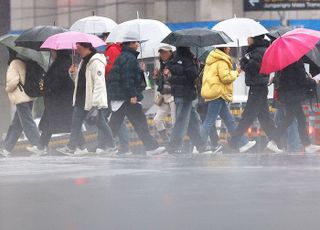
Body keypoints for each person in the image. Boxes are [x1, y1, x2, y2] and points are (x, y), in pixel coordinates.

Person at [107, 36, 165, 155]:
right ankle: (151, 147)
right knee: (139, 122)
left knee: (115, 123)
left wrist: (140, 70)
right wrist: (132, 95)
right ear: (130, 44)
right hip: (127, 97)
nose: (138, 44)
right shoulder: (129, 58)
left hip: (121, 96)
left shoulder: (125, 57)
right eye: (136, 42)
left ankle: (103, 146)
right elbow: (127, 78)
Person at [57, 42, 115, 155]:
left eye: (79, 48)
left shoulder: (96, 62)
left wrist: (96, 103)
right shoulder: (84, 61)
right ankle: (71, 147)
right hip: (81, 98)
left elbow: (99, 83)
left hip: (91, 100)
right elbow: (81, 81)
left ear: (87, 48)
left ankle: (111, 145)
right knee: (76, 123)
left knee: (100, 123)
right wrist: (72, 73)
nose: (77, 51)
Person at [230, 35, 282, 153]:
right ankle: (277, 142)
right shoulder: (259, 50)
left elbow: (252, 68)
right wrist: (245, 60)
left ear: (254, 39)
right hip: (259, 87)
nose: (247, 39)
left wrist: (242, 63)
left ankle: (233, 141)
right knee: (264, 117)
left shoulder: (258, 52)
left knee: (248, 116)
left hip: (257, 88)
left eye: (249, 37)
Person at [201, 47, 256, 153]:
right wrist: (237, 72)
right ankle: (199, 145)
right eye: (228, 47)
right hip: (218, 93)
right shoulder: (221, 60)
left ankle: (243, 143)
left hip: (217, 92)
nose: (229, 48)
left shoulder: (213, 59)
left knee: (229, 121)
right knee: (209, 120)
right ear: (224, 49)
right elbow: (225, 78)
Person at [26, 50, 74, 155]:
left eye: (52, 51)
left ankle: (80, 145)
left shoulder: (63, 63)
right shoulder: (60, 62)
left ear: (58, 51)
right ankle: (41, 147)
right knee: (49, 123)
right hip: (56, 100)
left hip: (60, 100)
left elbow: (60, 80)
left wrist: (48, 88)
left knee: (71, 123)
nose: (51, 52)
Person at [164, 47, 208, 154]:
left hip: (177, 94)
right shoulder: (188, 60)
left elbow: (170, 75)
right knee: (181, 121)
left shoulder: (173, 60)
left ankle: (200, 145)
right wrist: (196, 64)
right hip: (187, 94)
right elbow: (192, 75)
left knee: (192, 121)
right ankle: (173, 146)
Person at [273, 59, 320, 153]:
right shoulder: (296, 61)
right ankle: (273, 140)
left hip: (288, 94)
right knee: (289, 119)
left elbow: (291, 78)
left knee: (300, 119)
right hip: (293, 95)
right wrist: (314, 81)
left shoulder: (284, 61)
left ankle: (307, 144)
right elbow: (301, 81)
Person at [0, 49, 40, 157]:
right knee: (16, 124)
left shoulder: (14, 63)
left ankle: (38, 145)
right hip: (29, 96)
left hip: (20, 97)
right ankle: (7, 148)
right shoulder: (26, 61)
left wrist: (7, 89)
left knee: (27, 122)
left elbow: (13, 82)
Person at [104, 42, 130, 155]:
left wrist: (103, 67)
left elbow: (111, 69)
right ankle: (119, 144)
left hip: (111, 88)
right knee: (116, 117)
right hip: (115, 89)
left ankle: (108, 144)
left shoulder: (112, 50)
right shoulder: (115, 50)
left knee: (108, 117)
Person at [153, 45, 176, 144]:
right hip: (164, 97)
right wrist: (157, 77)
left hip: (173, 96)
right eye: (161, 52)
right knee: (157, 120)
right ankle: (167, 142)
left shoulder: (174, 64)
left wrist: (168, 75)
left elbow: (176, 80)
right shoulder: (162, 65)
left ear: (170, 53)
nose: (162, 54)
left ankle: (176, 144)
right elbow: (160, 84)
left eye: (165, 52)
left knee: (175, 122)